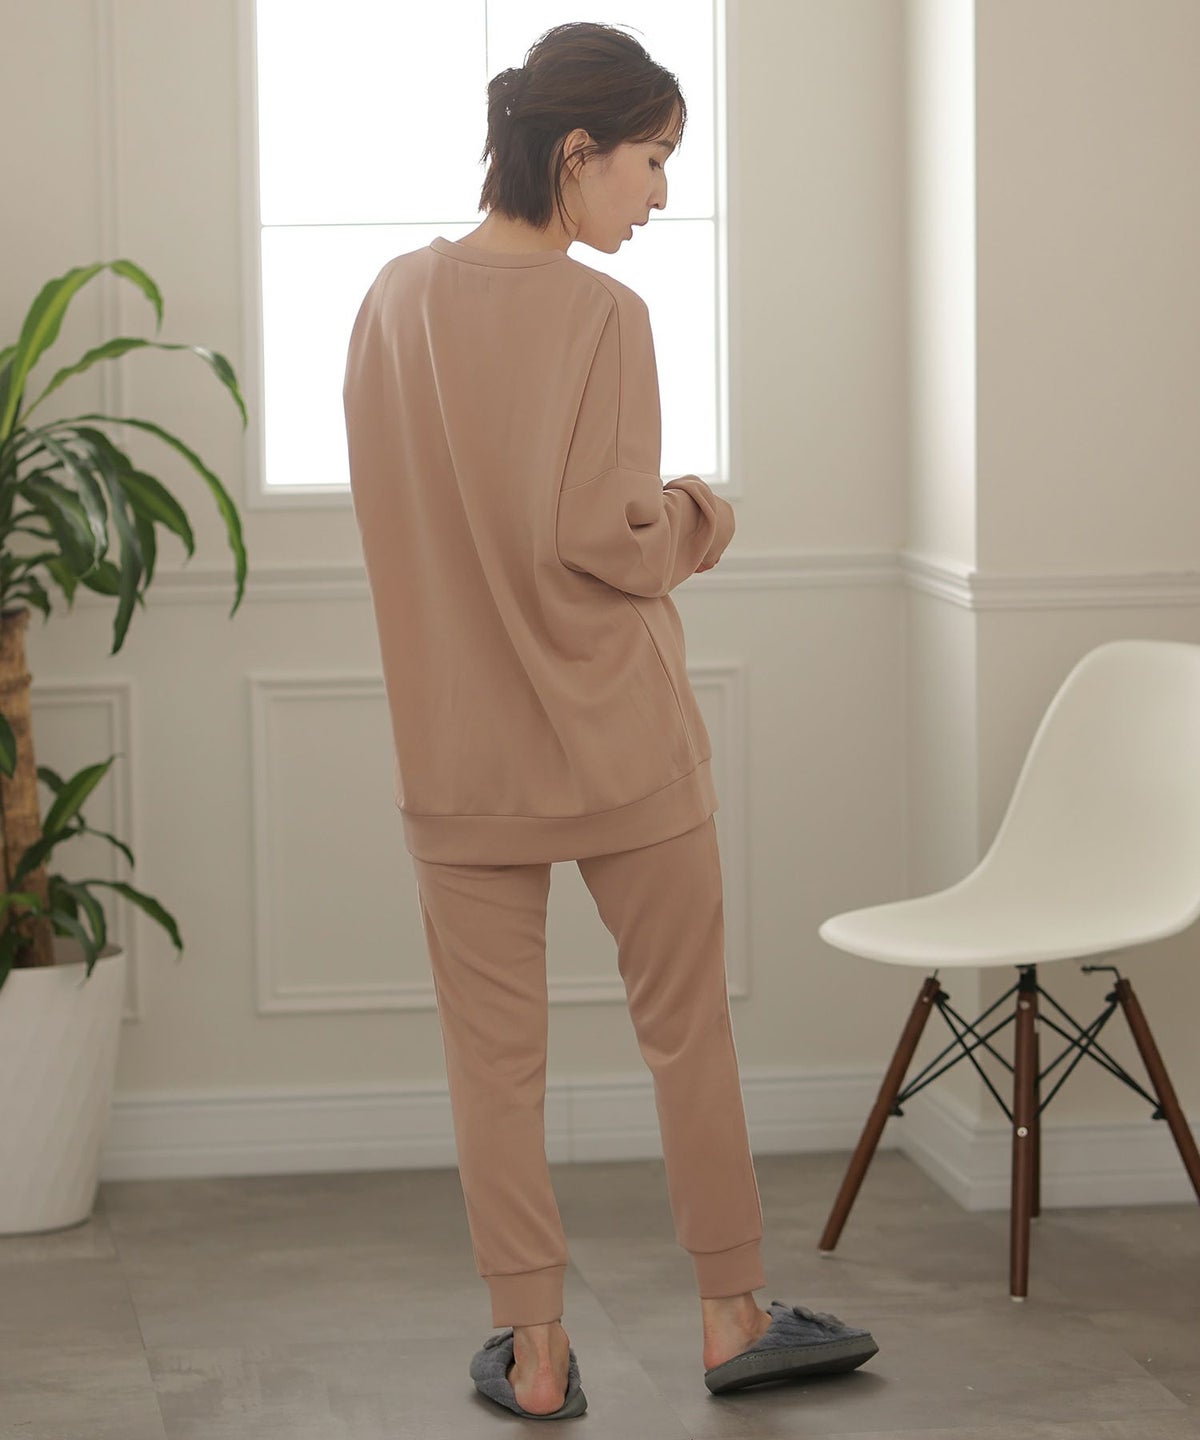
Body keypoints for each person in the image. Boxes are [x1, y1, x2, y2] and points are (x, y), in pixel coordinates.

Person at [342, 19, 876, 1419]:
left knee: (492, 1064)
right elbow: (611, 539)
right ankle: (732, 1316)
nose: (660, 194)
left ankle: (534, 1354)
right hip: (621, 739)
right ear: (576, 151)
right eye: (652, 159)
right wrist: (705, 513)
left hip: (458, 756)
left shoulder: (391, 300)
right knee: (686, 1030)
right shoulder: (603, 317)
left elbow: (405, 520)